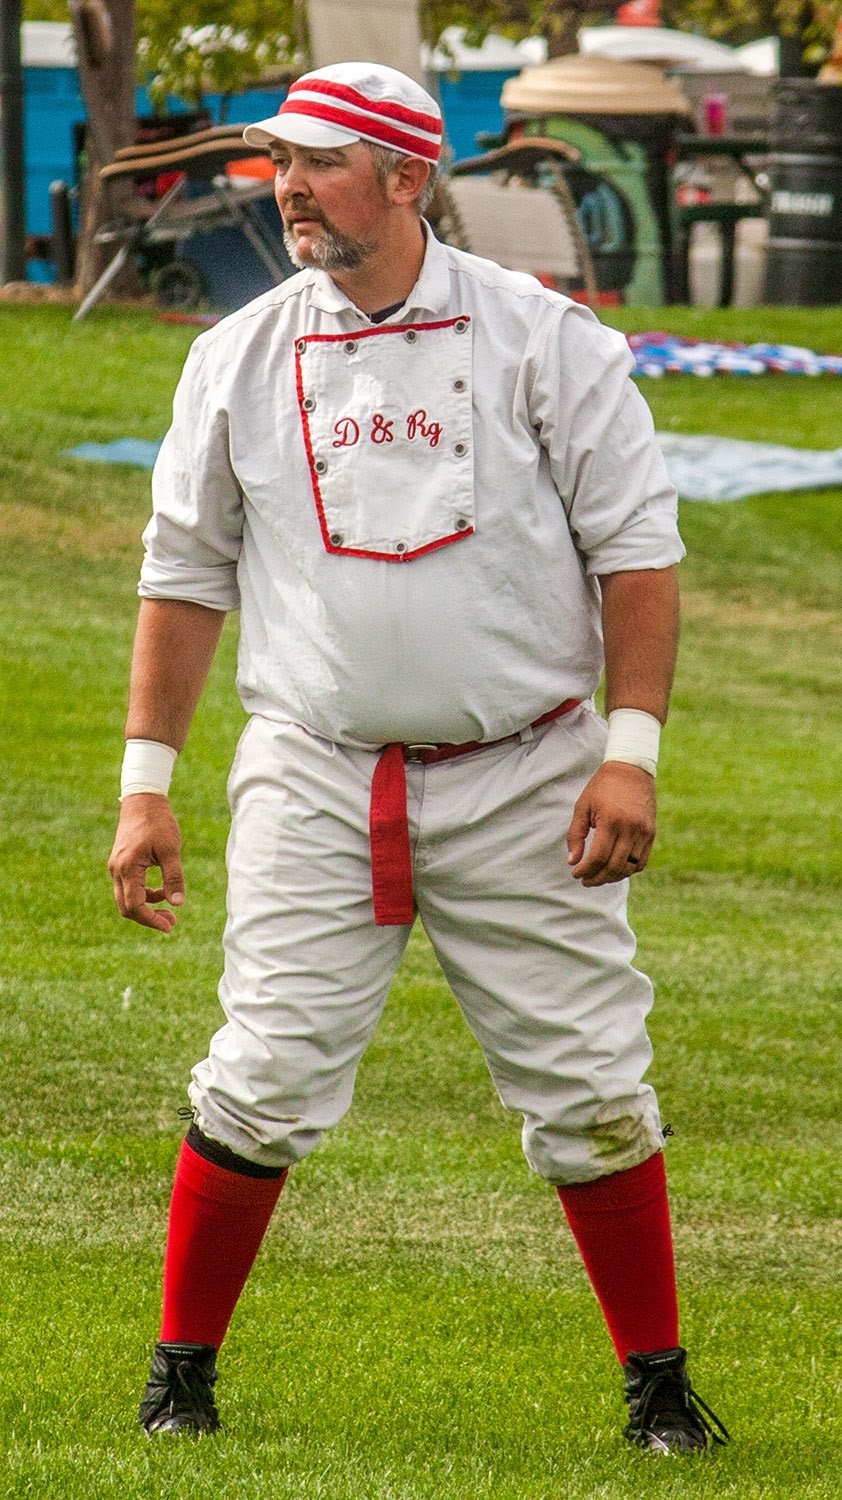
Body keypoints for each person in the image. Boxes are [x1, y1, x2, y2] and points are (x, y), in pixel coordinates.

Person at [109, 61, 729, 1453]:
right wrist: (145, 788)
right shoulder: (240, 355)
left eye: (318, 163)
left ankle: (657, 1389)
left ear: (406, 177)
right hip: (311, 770)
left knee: (588, 1082)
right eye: (282, 162)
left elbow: (636, 554)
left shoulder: (545, 340)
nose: (287, 188)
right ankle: (180, 1377)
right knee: (260, 1072)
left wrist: (625, 756)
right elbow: (182, 575)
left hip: (526, 773)